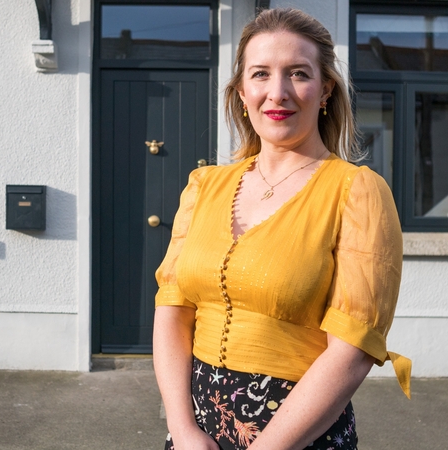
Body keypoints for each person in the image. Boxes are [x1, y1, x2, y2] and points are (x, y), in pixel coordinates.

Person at [153, 8, 410, 450]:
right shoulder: (203, 186)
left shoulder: (358, 192)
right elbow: (173, 312)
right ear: (240, 91)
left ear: (326, 88)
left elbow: (351, 350)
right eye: (260, 74)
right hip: (196, 436)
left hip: (298, 437)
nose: (278, 92)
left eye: (297, 73)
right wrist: (182, 429)